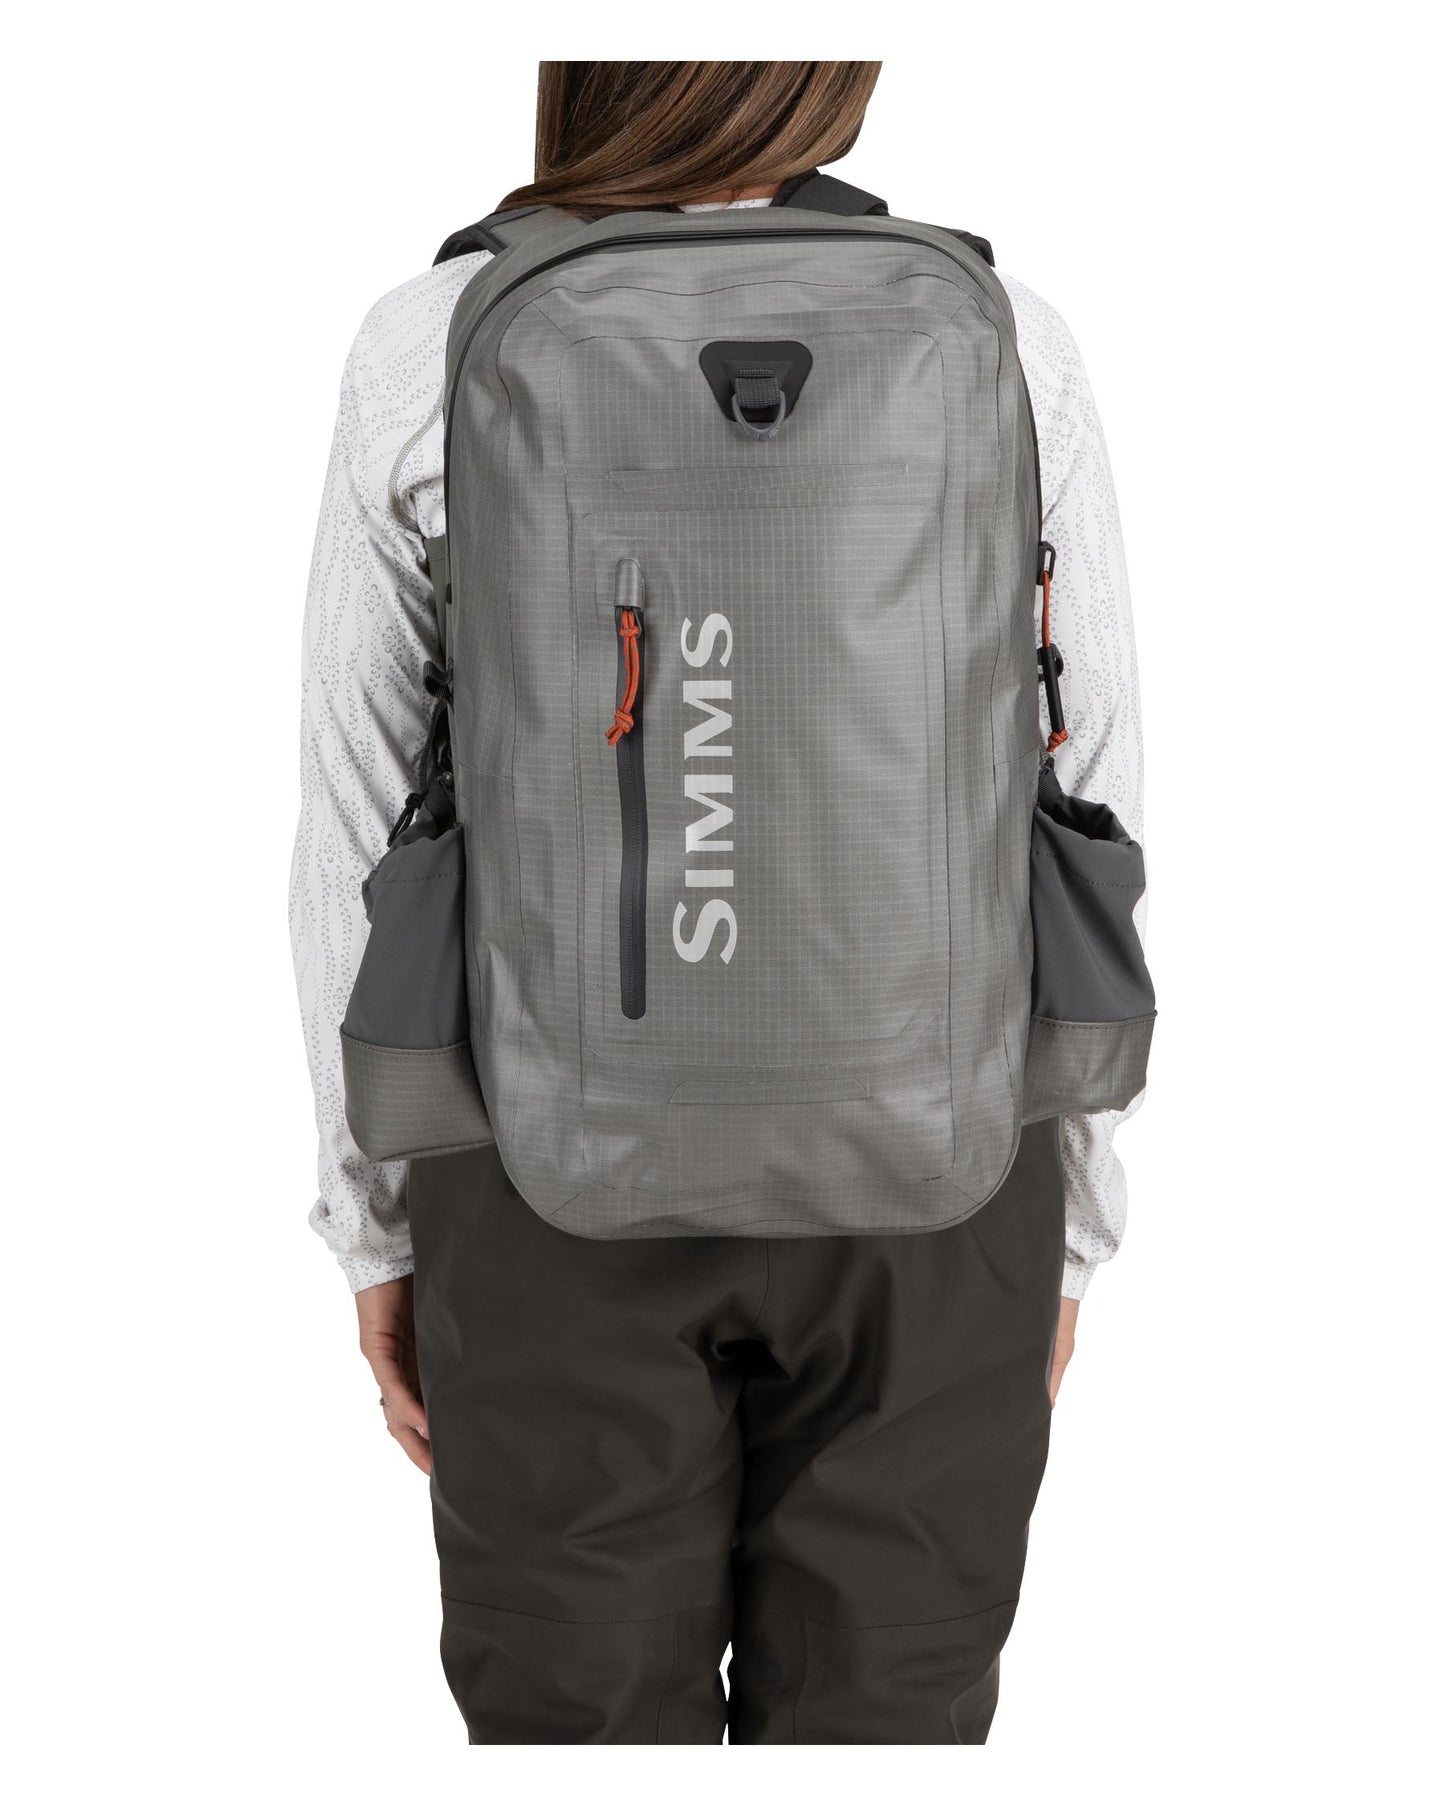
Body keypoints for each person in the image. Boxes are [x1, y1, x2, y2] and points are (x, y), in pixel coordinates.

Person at [290, 59, 1144, 1744]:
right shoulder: (1004, 333)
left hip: (535, 1175)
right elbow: (1089, 770)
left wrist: (373, 1220)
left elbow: (353, 813)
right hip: (939, 1181)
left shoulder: (429, 336)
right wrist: (1073, 1225)